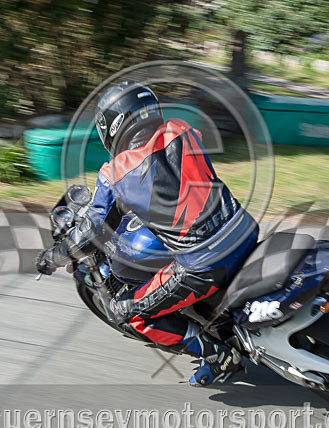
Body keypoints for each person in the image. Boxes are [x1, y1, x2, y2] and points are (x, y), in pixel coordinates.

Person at [36, 81, 258, 386]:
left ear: (112, 126)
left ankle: (218, 355)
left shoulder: (114, 172)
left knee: (128, 313)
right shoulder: (182, 130)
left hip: (204, 264)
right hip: (244, 230)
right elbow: (170, 182)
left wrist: (51, 257)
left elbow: (91, 231)